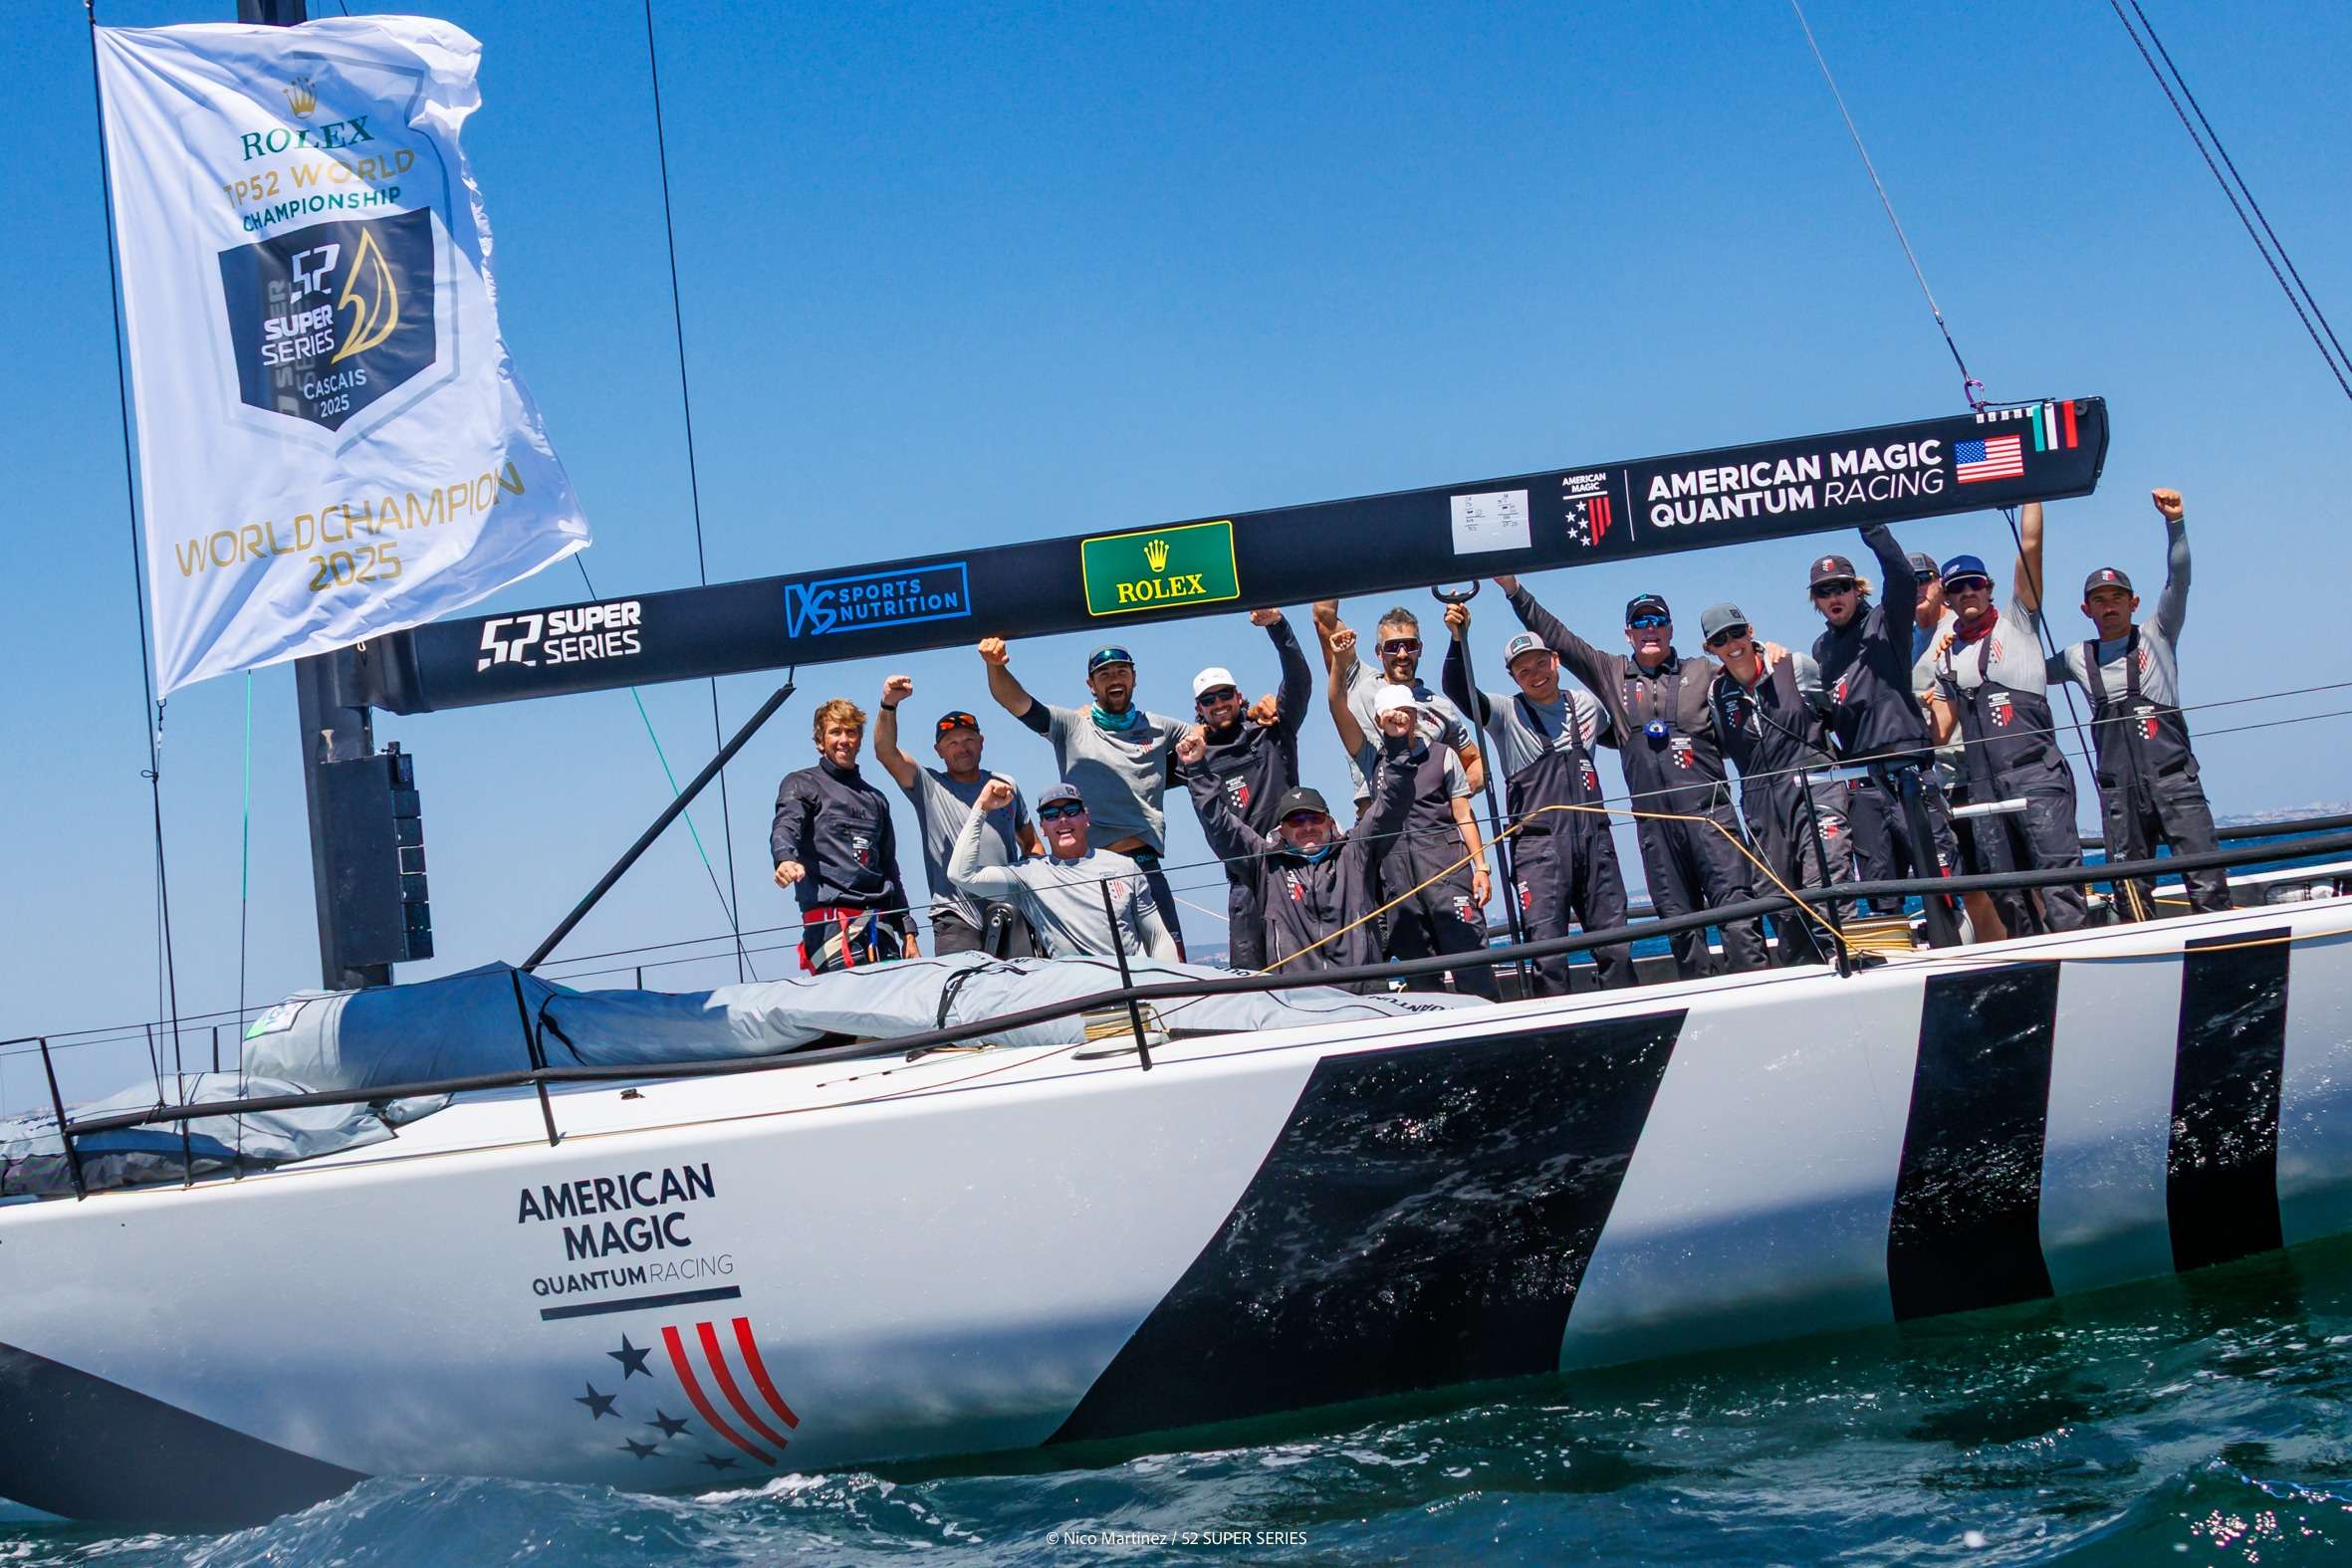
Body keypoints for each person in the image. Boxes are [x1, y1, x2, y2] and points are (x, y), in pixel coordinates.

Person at [1493, 575, 1767, 980]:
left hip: (1711, 822)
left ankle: (1758, 998)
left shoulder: (1705, 672)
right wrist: (1515, 591)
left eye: (1658, 621)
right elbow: (1561, 639)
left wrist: (1769, 653)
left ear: (1670, 628)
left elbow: (1750, 671)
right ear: (1628, 633)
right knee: (1680, 930)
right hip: (1656, 830)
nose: (1649, 629)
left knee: (1739, 919)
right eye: (1640, 622)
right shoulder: (1611, 672)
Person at [2032, 487, 2229, 918]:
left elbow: (2179, 580)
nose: (2109, 608)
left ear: (2133, 603)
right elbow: (2022, 672)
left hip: (2175, 782)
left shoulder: (2159, 634)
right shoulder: (2075, 658)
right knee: (2131, 897)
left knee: (2208, 883)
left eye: (2117, 598)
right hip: (2119, 794)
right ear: (2086, 609)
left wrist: (2175, 523)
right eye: (2100, 601)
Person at [1440, 599, 1635, 994]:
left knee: (1616, 948)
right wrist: (1458, 639)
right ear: (1513, 677)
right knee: (1548, 957)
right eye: (1523, 670)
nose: (1535, 675)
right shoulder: (1505, 713)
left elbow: (1625, 737)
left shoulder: (1587, 706)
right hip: (1539, 852)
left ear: (1555, 661)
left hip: (1596, 844)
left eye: (1540, 664)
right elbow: (1458, 690)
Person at [1924, 507, 2089, 936]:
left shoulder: (2018, 622)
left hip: (2036, 775)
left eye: (1975, 584)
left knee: (2059, 881)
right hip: (1983, 787)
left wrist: (2028, 489)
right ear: (1947, 599)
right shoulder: (1945, 657)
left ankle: (2079, 956)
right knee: (2006, 893)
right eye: (1957, 588)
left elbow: (2030, 546)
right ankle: (2032, 964)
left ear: (1989, 588)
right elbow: (1939, 731)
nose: (1967, 592)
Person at [1173, 704, 1419, 985]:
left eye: (1314, 817)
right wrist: (1196, 769)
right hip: (1298, 999)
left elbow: (1392, 802)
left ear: (1329, 822)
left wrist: (1397, 744)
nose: (1307, 827)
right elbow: (1219, 824)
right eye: (1296, 821)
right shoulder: (1265, 864)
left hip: (1364, 995)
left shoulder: (1355, 852)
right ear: (1282, 830)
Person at [978, 637, 1191, 955]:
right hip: (1089, 868)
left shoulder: (1162, 727)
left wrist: (1246, 716)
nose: (1114, 679)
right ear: (1091, 685)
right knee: (1098, 966)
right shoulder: (1073, 725)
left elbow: (1209, 734)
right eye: (1104, 674)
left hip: (1145, 866)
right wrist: (995, 667)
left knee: (1173, 959)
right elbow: (1016, 702)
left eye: (1121, 671)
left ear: (1134, 678)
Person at [1807, 525, 1962, 946]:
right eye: (1824, 591)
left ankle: (1959, 956)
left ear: (1857, 590)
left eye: (1842, 587)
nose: (1834, 597)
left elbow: (1900, 574)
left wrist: (1871, 525)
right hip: (1862, 783)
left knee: (1942, 881)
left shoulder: (1886, 620)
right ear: (1816, 601)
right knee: (1881, 893)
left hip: (1908, 772)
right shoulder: (1821, 649)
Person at [1326, 656, 1500, 999]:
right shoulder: (1371, 759)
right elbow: (1337, 706)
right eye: (1391, 714)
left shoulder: (1443, 755)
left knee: (1473, 967)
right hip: (1398, 884)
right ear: (1379, 719)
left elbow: (1463, 814)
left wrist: (1481, 867)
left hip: (1447, 873)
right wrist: (1338, 664)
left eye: (1406, 711)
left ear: (1417, 714)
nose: (1399, 718)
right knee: (1421, 981)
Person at [1701, 603, 1853, 965]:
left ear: (1750, 631)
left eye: (1737, 633)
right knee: (1777, 900)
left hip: (1815, 788)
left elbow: (1837, 715)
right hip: (1761, 805)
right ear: (1710, 648)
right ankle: (1805, 974)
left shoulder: (1795, 665)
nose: (1732, 644)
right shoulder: (1716, 693)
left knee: (1826, 876)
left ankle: (1849, 958)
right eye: (1720, 640)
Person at [870, 675, 1043, 957]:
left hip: (1009, 911)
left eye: (969, 739)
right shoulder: (929, 785)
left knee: (1022, 984)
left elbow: (1032, 843)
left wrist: (1037, 892)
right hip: (956, 917)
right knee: (964, 986)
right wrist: (888, 705)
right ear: (938, 751)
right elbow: (885, 753)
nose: (962, 748)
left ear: (982, 742)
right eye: (952, 743)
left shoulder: (1005, 784)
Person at [1181, 608, 1313, 969]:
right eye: (1209, 700)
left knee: (1311, 966)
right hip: (1245, 880)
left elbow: (1299, 681)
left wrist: (1278, 627)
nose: (1218, 704)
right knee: (1252, 980)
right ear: (1198, 708)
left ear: (1239, 696)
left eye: (1224, 694)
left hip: (1294, 866)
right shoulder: (1193, 755)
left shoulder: (1272, 728)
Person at [947, 781, 1180, 960]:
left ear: (1086, 818)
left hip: (1130, 987)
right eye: (1051, 815)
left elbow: (1158, 938)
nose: (1062, 820)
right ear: (1043, 828)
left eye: (1071, 810)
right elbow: (961, 875)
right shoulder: (1027, 875)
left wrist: (1167, 995)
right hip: (1076, 994)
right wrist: (981, 808)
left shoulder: (1125, 866)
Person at [771, 697, 918, 972]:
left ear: (859, 740)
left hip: (881, 930)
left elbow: (889, 868)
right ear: (820, 741)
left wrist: (907, 931)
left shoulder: (876, 799)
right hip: (831, 931)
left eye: (851, 732)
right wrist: (784, 859)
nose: (844, 740)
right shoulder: (801, 783)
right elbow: (786, 825)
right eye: (835, 732)